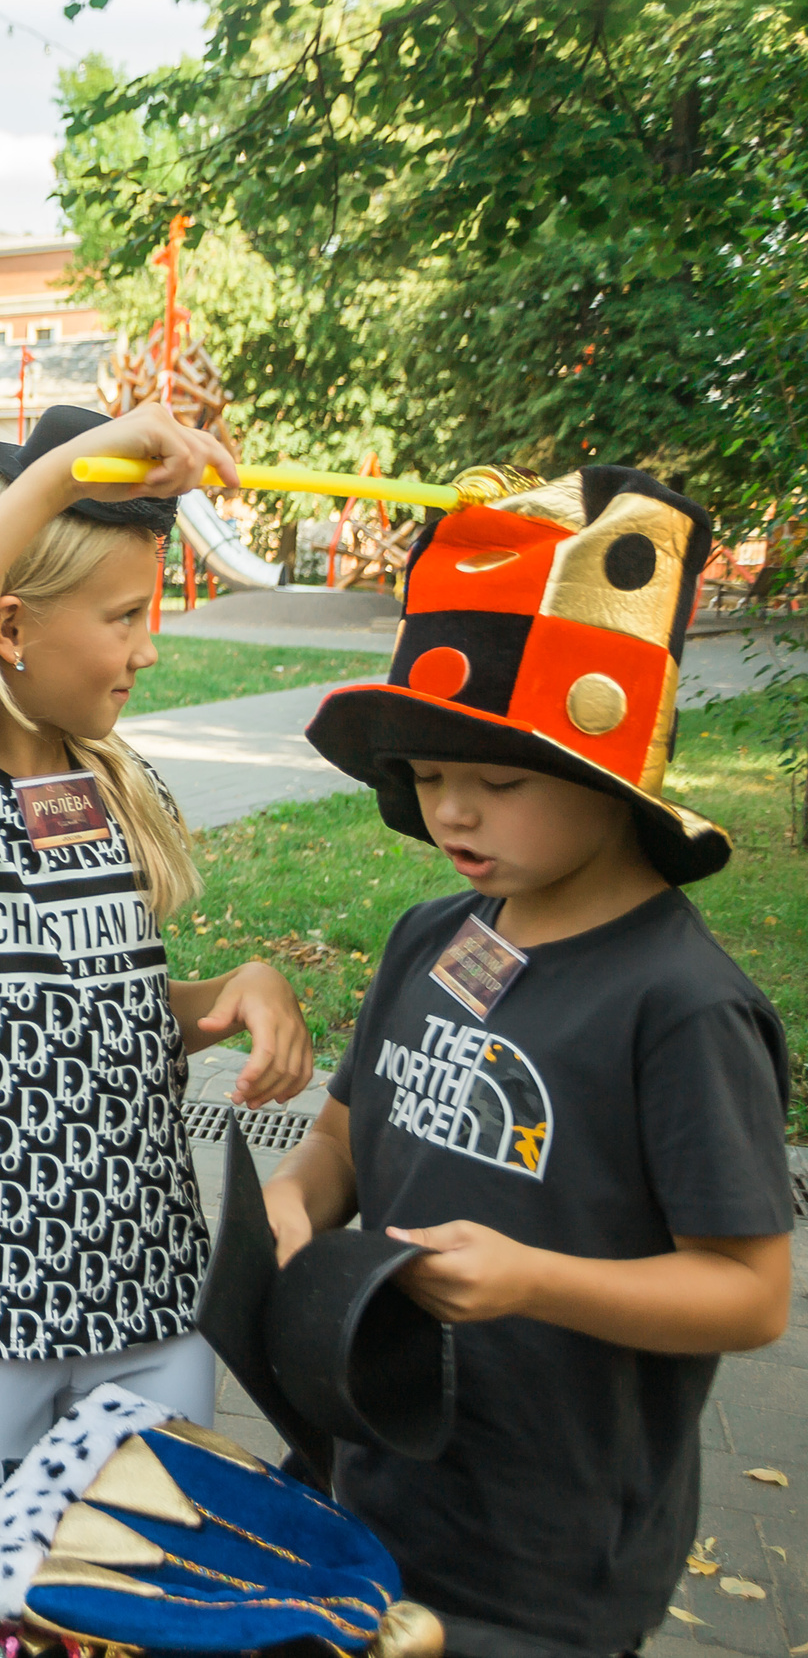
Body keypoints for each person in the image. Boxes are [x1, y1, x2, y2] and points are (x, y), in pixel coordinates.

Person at [269, 467, 793, 1654]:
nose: (451, 814)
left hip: (545, 1547)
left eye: (497, 781)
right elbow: (342, 1135)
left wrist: (532, 1281)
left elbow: (751, 1295)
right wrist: (295, 1199)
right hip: (377, 1474)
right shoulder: (431, 936)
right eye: (427, 778)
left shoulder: (682, 1005)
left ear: (613, 776)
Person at [0, 402, 313, 1485]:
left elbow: (92, 997)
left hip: (154, 1303)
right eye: (124, 616)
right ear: (9, 629)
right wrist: (49, 483)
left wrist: (234, 988)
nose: (148, 648)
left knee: (146, 1579)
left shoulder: (111, 782)